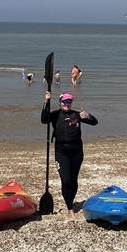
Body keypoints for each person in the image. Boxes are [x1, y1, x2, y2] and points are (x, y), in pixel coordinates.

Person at [42, 91, 98, 220]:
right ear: (60, 102)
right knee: (66, 180)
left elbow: (95, 122)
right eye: (64, 101)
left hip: (77, 151)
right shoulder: (56, 115)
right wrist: (46, 101)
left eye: (69, 101)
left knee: (73, 180)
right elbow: (44, 119)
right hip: (61, 152)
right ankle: (70, 208)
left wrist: (88, 116)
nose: (66, 104)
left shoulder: (77, 115)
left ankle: (70, 202)